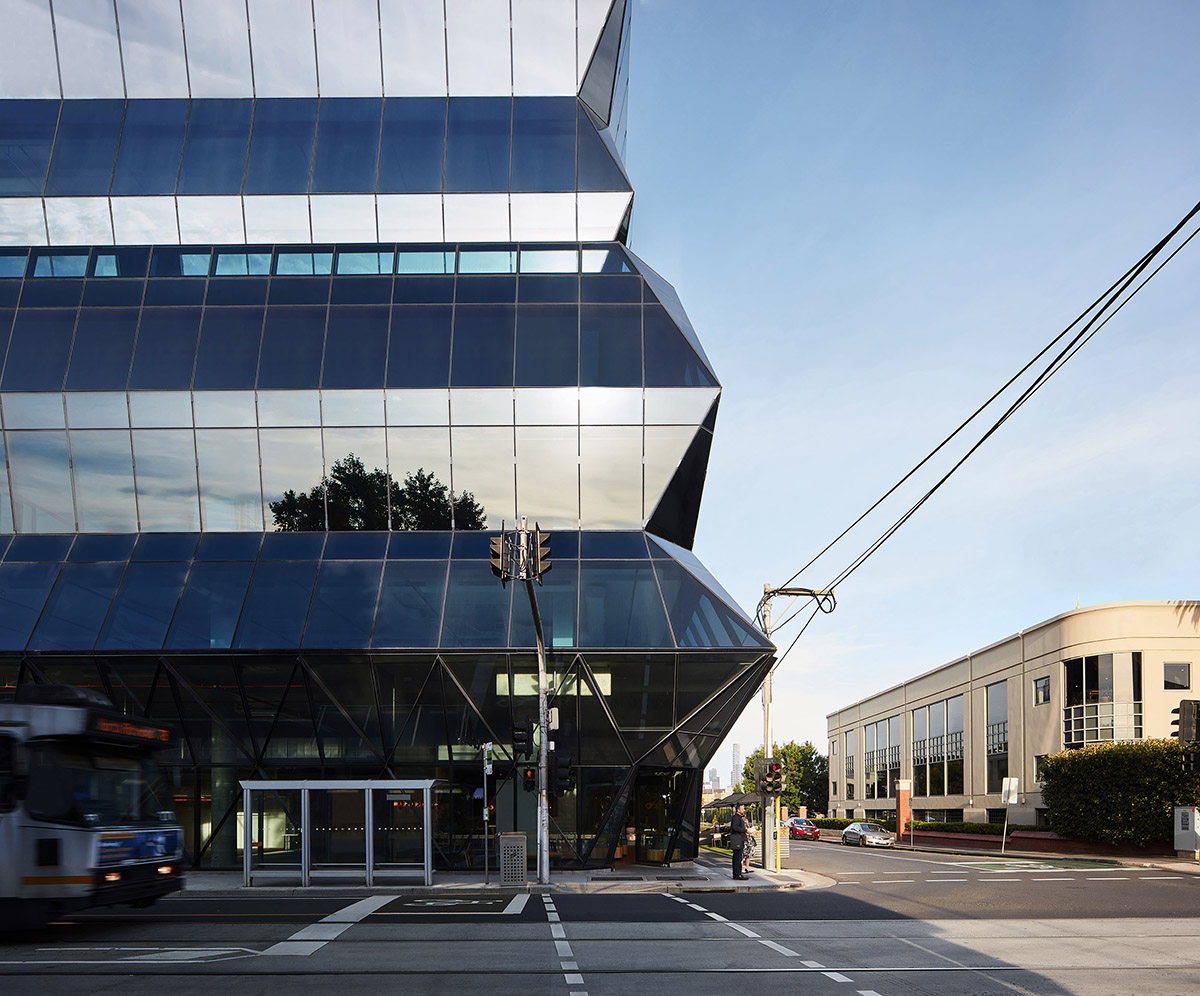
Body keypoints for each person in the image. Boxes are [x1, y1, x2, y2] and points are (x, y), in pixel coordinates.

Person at [729, 804, 750, 879]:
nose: (743, 810)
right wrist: (745, 830)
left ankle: (738, 873)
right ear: (738, 810)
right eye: (742, 809)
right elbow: (735, 827)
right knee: (737, 857)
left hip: (739, 839)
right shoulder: (736, 818)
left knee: (738, 857)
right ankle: (737, 874)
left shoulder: (739, 818)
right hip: (737, 839)